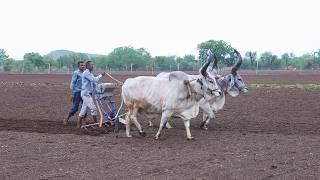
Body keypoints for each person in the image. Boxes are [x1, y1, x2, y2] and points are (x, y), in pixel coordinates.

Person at [77, 60, 106, 128]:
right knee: (93, 108)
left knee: (83, 110)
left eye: (93, 64)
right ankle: (96, 124)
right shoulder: (86, 73)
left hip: (87, 94)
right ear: (87, 66)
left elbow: (94, 83)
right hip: (85, 94)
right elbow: (94, 80)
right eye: (91, 65)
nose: (93, 66)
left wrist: (101, 87)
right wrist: (101, 75)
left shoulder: (90, 73)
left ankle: (78, 125)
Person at [63, 61, 86, 125]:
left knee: (85, 106)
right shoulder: (76, 73)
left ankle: (83, 120)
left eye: (83, 65)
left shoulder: (85, 73)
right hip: (77, 92)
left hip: (84, 92)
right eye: (81, 65)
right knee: (75, 107)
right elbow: (72, 83)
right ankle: (66, 118)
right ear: (78, 66)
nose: (83, 66)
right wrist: (72, 93)